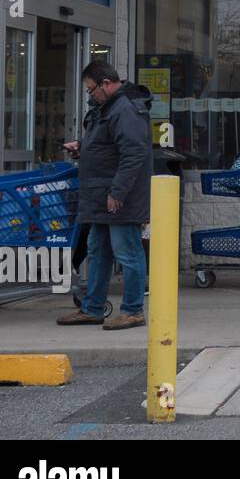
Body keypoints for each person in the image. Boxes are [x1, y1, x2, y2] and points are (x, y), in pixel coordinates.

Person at [56, 62, 153, 330]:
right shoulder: (106, 108)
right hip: (101, 194)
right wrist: (82, 147)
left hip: (119, 196)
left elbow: (134, 154)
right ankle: (92, 308)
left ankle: (133, 310)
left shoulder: (126, 110)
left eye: (91, 89)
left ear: (106, 83)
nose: (90, 95)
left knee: (127, 251)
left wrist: (118, 192)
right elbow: (107, 145)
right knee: (98, 251)